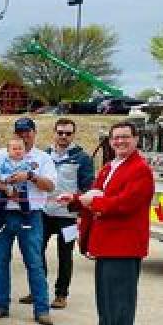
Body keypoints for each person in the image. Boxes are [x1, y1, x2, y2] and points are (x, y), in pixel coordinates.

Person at [64, 121, 154, 325]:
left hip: (124, 243)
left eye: (125, 137)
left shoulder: (140, 169)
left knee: (121, 295)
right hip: (105, 242)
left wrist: (92, 202)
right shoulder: (110, 167)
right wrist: (74, 199)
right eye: (116, 138)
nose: (120, 141)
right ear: (110, 141)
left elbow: (125, 203)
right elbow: (95, 192)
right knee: (105, 293)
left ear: (136, 140)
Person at [0, 117, 57, 325]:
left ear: (34, 132)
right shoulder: (2, 153)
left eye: (28, 131)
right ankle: (0, 305)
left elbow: (50, 186)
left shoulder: (42, 158)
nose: (24, 135)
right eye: (20, 131)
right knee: (0, 262)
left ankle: (42, 309)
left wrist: (30, 176)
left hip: (30, 215)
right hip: (2, 212)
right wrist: (5, 187)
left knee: (34, 262)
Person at [38, 117, 95, 310]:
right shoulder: (44, 155)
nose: (63, 136)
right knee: (36, 252)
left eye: (68, 133)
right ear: (54, 133)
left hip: (68, 216)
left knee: (65, 255)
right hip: (44, 212)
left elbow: (88, 188)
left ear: (73, 135)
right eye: (60, 132)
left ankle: (61, 294)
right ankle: (39, 290)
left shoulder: (83, 158)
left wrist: (80, 211)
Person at [0, 137, 35, 232]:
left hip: (20, 187)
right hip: (5, 186)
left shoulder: (26, 163)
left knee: (25, 203)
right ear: (8, 151)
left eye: (20, 148)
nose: (17, 151)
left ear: (24, 150)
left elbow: (30, 172)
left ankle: (26, 220)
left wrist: (29, 173)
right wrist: (5, 178)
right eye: (14, 149)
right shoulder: (4, 162)